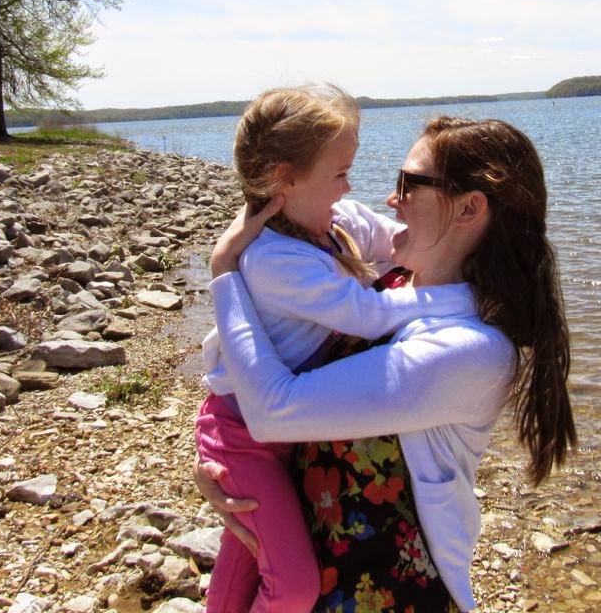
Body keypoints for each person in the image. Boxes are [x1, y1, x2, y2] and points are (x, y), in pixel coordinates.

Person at [200, 115, 577, 612]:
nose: (391, 199)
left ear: (469, 208)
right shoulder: (393, 283)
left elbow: (274, 410)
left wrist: (224, 270)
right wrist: (227, 463)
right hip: (310, 567)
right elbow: (272, 363)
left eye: (408, 184)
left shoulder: (473, 351)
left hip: (388, 594)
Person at [196, 85, 462, 613]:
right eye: (339, 173)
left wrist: (464, 248)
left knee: (250, 550)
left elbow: (397, 242)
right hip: (243, 437)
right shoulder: (275, 259)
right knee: (291, 584)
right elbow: (364, 313)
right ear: (284, 179)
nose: (349, 186)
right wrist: (459, 298)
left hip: (277, 429)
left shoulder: (334, 226)